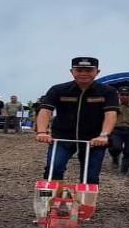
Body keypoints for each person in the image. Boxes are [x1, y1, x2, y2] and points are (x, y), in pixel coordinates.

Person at [36, 57, 118, 185]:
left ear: (97, 72)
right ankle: (53, 201)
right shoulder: (58, 90)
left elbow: (111, 114)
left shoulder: (108, 92)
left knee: (90, 176)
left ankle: (86, 203)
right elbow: (45, 110)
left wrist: (104, 135)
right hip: (62, 138)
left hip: (95, 140)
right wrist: (41, 132)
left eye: (89, 70)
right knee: (54, 169)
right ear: (72, 71)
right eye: (79, 70)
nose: (83, 73)